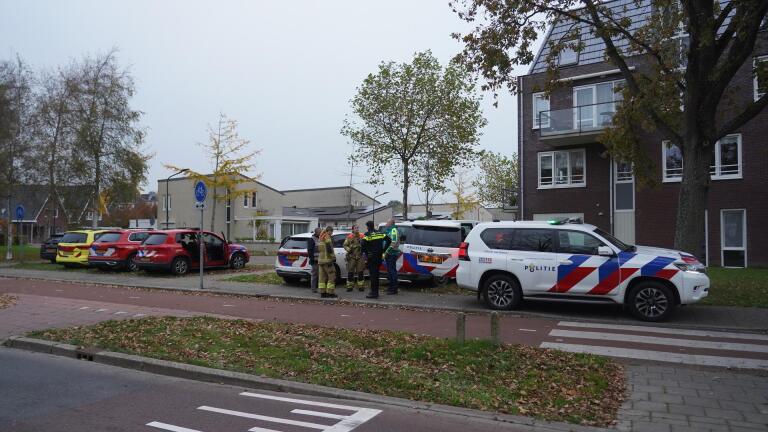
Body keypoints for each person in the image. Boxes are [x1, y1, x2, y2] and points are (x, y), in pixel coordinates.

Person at [361, 220, 390, 299]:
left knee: (373, 276)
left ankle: (373, 293)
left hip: (371, 258)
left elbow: (363, 245)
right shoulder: (380, 233)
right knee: (376, 275)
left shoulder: (367, 235)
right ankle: (375, 292)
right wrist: (383, 250)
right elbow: (389, 240)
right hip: (379, 257)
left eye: (366, 226)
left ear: (368, 227)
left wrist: (366, 254)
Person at [343, 225, 365, 292]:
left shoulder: (362, 236)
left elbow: (366, 244)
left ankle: (361, 287)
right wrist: (348, 249)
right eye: (355, 228)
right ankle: (349, 287)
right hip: (352, 257)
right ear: (353, 229)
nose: (357, 229)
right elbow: (345, 245)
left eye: (358, 228)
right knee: (350, 272)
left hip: (360, 257)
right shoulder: (349, 237)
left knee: (360, 272)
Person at [317, 225, 337, 298]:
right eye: (331, 232)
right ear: (329, 231)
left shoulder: (320, 237)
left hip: (321, 261)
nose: (332, 233)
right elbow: (329, 249)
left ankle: (323, 293)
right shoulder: (327, 237)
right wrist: (333, 257)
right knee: (332, 276)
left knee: (322, 277)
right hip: (327, 261)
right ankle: (330, 293)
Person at [383, 218, 400, 294]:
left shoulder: (393, 231)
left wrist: (386, 251)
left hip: (392, 254)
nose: (386, 223)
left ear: (391, 223)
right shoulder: (389, 230)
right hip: (389, 253)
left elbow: (394, 242)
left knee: (392, 271)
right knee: (390, 271)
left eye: (387, 222)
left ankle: (394, 289)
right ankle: (390, 287)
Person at [307, 227, 322, 293]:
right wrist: (312, 258)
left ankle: (320, 288)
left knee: (321, 275)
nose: (321, 233)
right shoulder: (312, 239)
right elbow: (310, 250)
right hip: (315, 260)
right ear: (317, 232)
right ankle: (313, 288)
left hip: (321, 260)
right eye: (320, 232)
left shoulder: (320, 239)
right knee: (314, 275)